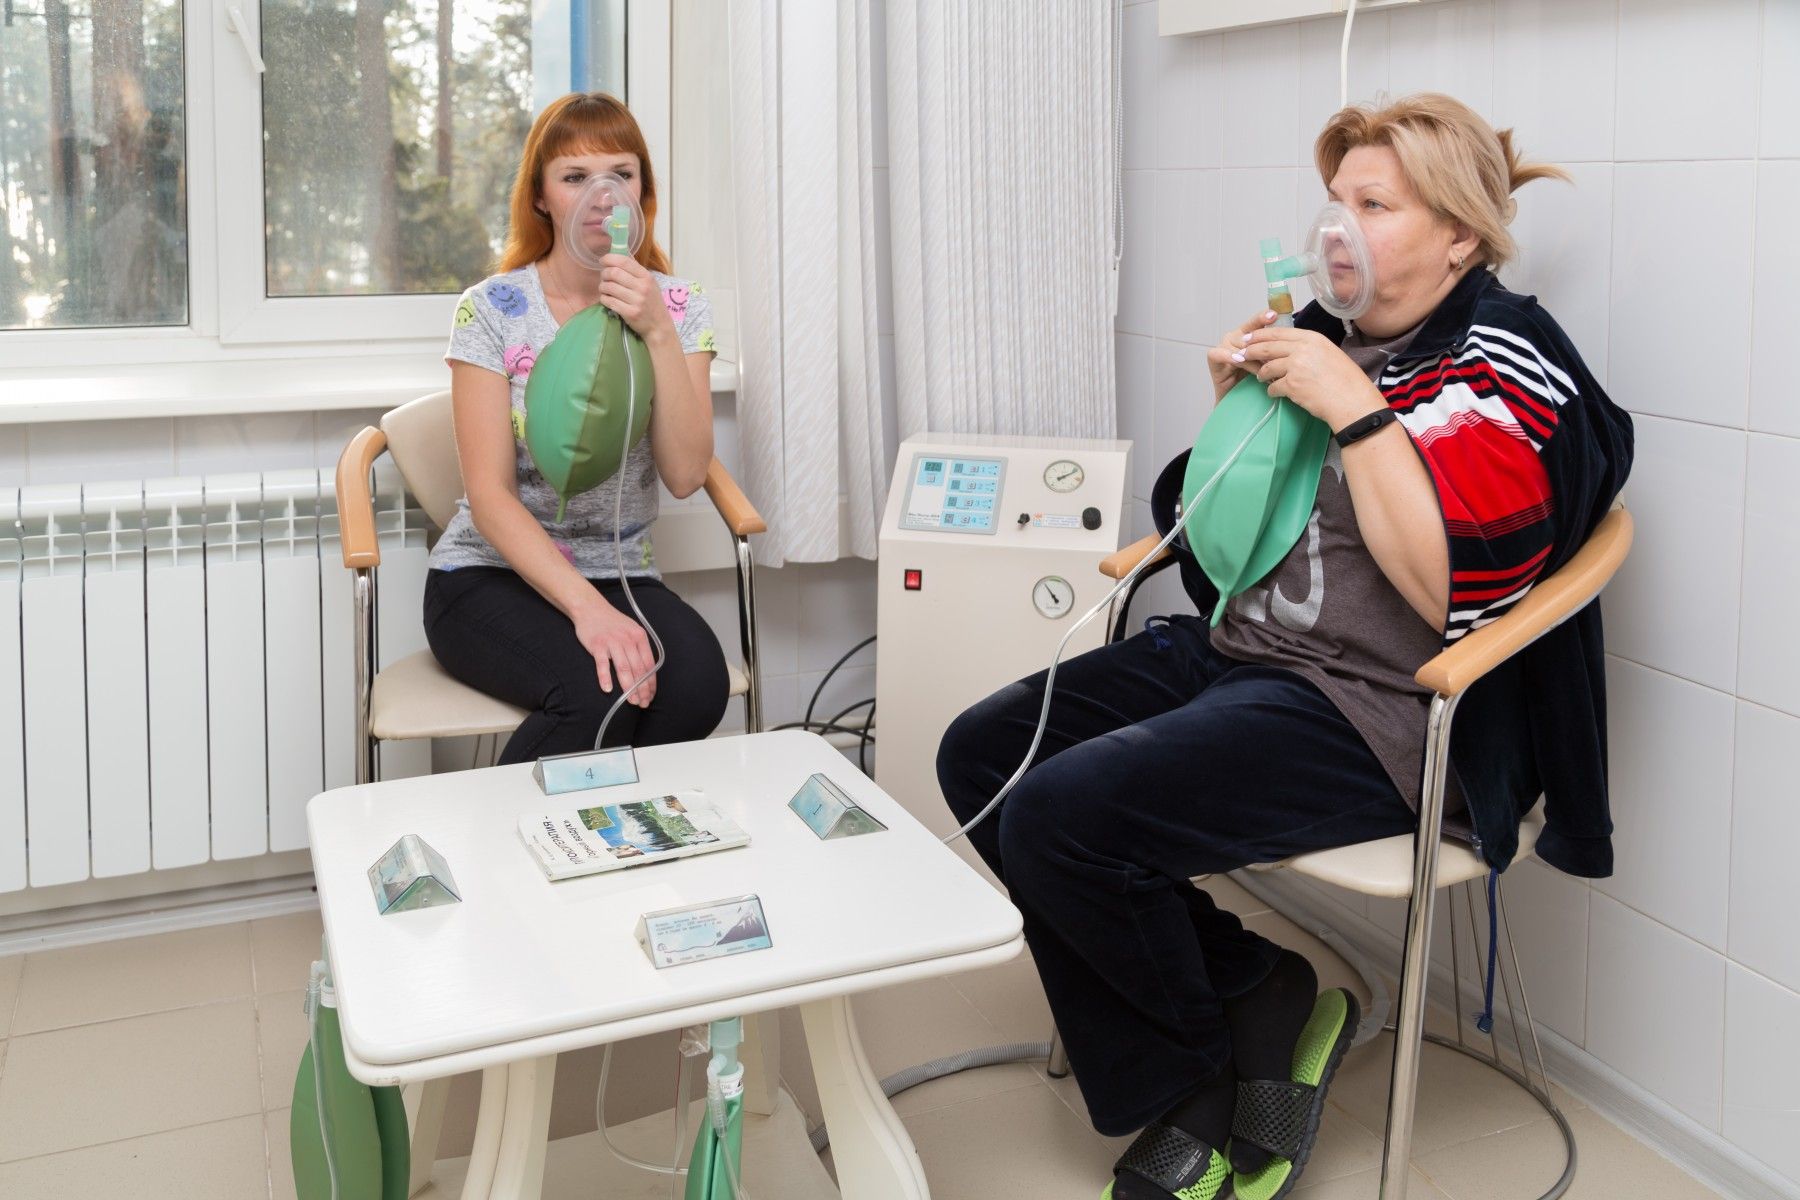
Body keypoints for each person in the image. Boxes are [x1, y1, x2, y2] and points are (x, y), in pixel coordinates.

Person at [935, 93, 1633, 1200]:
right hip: (1243, 654)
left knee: (1066, 816)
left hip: (1377, 705)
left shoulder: (1503, 364)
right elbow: (1225, 539)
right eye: (1334, 200)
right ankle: (1256, 987)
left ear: (1459, 235)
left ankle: (1193, 1090)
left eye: (1375, 204)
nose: (1336, 228)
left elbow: (1459, 590)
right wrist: (1236, 419)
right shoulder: (1324, 333)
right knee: (982, 757)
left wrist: (1358, 411)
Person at [423, 92, 729, 764]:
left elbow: (685, 476)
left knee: (697, 690)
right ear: (540, 197)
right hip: (490, 573)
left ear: (643, 191)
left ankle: (615, 827)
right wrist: (587, 611)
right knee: (595, 697)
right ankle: (508, 830)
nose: (601, 196)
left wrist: (657, 330)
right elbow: (490, 497)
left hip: (621, 571)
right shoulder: (492, 309)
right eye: (574, 177)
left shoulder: (680, 307)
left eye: (621, 173)